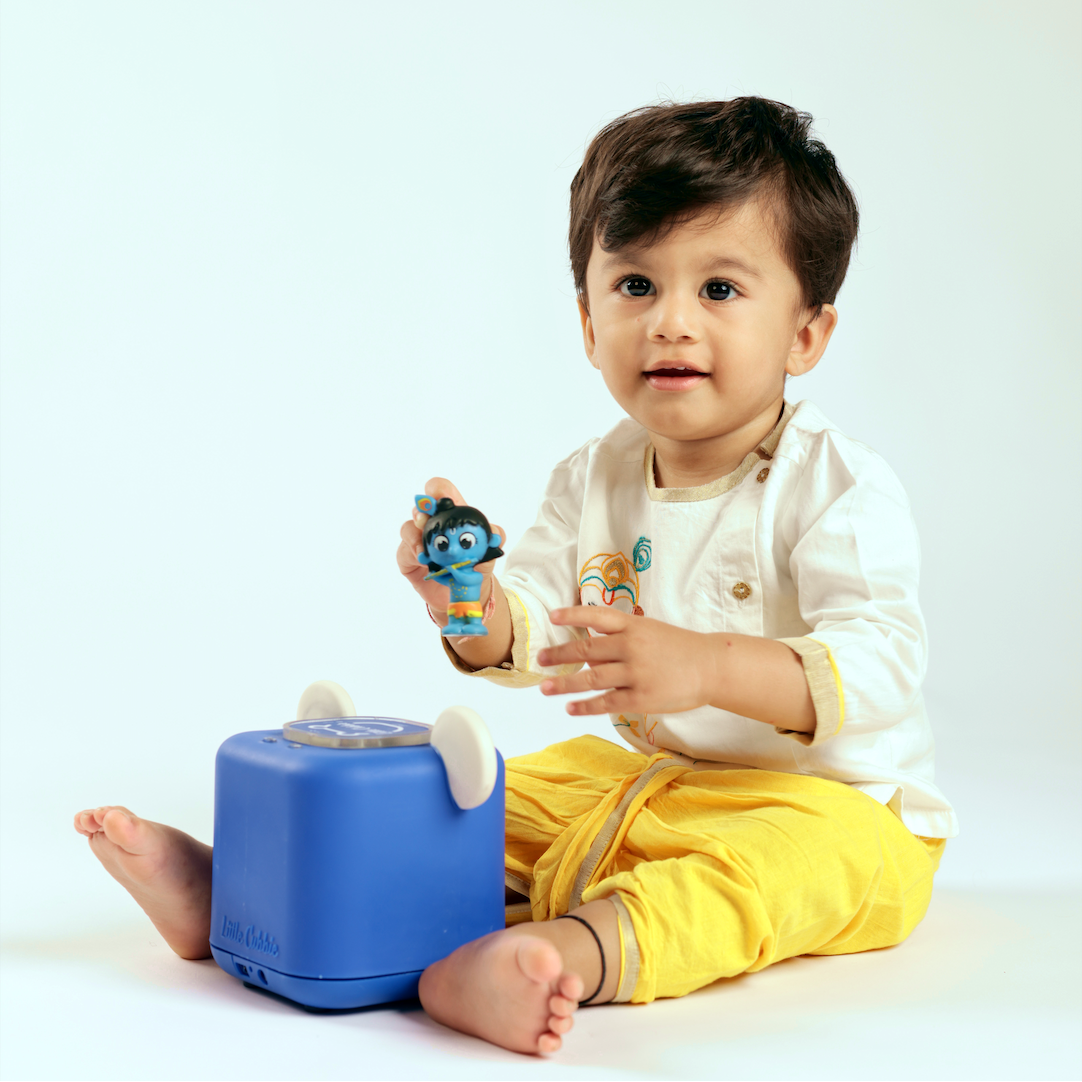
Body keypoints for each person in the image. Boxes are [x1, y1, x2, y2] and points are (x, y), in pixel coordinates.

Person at [75, 97, 957, 1057]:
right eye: (634, 285)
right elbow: (536, 627)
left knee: (764, 876)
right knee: (481, 799)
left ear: (805, 336)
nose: (670, 322)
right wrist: (473, 603)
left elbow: (879, 666)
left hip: (831, 802)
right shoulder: (595, 475)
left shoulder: (835, 484)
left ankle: (563, 955)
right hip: (645, 777)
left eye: (719, 289)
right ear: (588, 322)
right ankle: (248, 897)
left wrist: (707, 667)